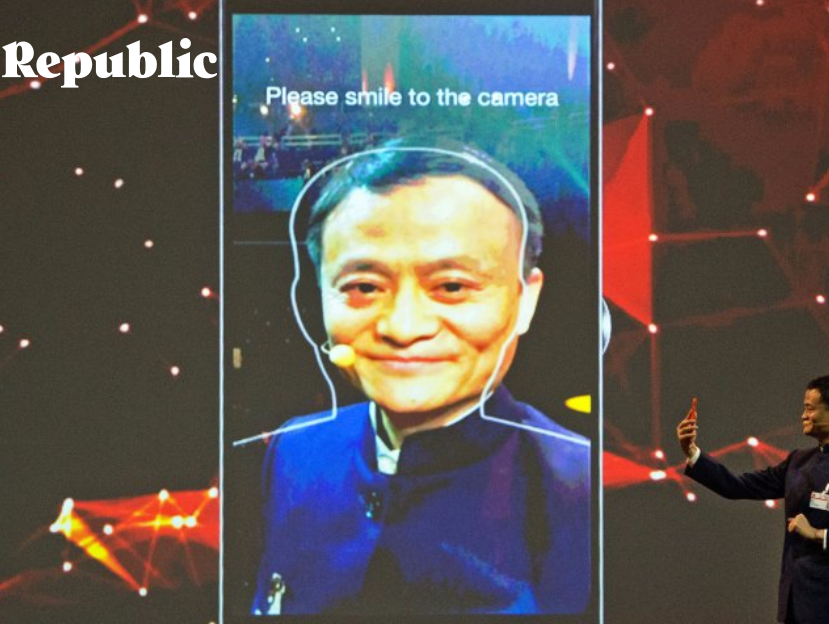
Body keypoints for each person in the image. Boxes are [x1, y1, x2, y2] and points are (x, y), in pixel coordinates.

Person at [251, 142, 591, 616]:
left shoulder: (586, 487)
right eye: (363, 287)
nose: (403, 327)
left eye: (452, 286)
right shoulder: (297, 450)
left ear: (525, 300)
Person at [676, 375, 829, 624]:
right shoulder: (798, 461)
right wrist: (692, 451)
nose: (803, 415)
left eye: (810, 408)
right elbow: (737, 487)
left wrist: (818, 534)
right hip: (793, 605)